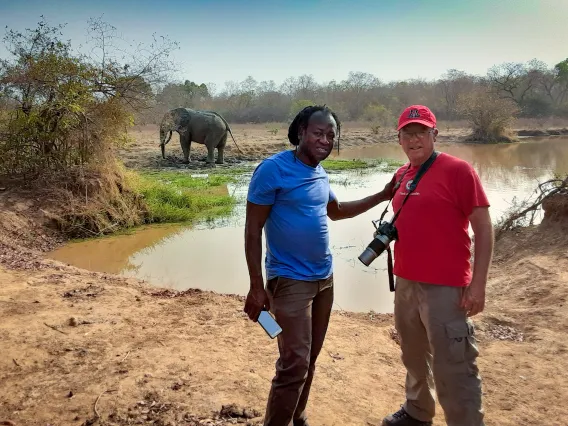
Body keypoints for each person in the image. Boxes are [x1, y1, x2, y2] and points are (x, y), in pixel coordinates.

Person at [244, 105, 395, 426]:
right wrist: (257, 286)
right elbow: (252, 229)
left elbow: (336, 210)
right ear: (300, 132)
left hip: (324, 280)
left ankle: (297, 417)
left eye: (331, 135)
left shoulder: (319, 172)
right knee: (293, 363)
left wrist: (383, 195)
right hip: (289, 282)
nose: (325, 140)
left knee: (309, 358)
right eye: (318, 133)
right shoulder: (273, 169)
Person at [380, 105, 494, 426]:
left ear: (435, 135)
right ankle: (417, 412)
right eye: (408, 133)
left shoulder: (459, 170)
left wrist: (478, 285)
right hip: (405, 282)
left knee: (453, 365)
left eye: (421, 132)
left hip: (445, 286)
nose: (414, 139)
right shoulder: (402, 174)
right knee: (413, 354)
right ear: (399, 138)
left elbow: (483, 228)